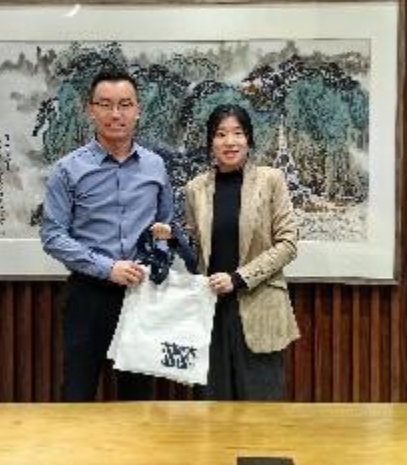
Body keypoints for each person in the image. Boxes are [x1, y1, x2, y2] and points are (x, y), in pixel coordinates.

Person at [40, 69, 173, 402]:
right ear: (91, 110)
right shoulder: (67, 169)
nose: (116, 114)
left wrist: (157, 258)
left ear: (138, 110)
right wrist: (107, 268)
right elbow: (53, 235)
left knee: (138, 400)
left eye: (125, 105)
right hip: (88, 294)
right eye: (106, 104)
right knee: (78, 393)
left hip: (141, 295)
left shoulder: (155, 166)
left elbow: (165, 224)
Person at [184, 103, 300, 400]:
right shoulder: (195, 189)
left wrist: (237, 278)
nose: (230, 141)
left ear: (248, 138)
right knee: (210, 410)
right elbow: (195, 253)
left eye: (237, 133)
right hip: (210, 311)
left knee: (260, 412)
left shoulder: (271, 180)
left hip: (259, 306)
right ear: (211, 141)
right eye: (220, 134)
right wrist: (173, 240)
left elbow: (288, 243)